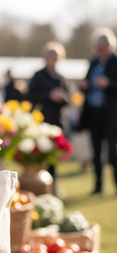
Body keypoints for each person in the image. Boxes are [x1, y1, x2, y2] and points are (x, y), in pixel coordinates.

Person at [78, 28, 117, 195]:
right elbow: (86, 85)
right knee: (96, 152)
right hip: (93, 114)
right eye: (97, 46)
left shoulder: (115, 62)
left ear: (110, 45)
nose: (99, 49)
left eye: (103, 46)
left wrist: (108, 84)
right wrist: (84, 86)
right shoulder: (93, 62)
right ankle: (98, 186)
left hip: (111, 115)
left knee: (113, 152)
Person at [27, 42, 69, 127]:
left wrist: (62, 97)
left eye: (55, 56)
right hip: (41, 119)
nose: (53, 58)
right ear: (45, 57)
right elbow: (30, 95)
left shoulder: (61, 77)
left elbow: (69, 97)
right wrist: (49, 96)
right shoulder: (38, 75)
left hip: (57, 119)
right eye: (51, 55)